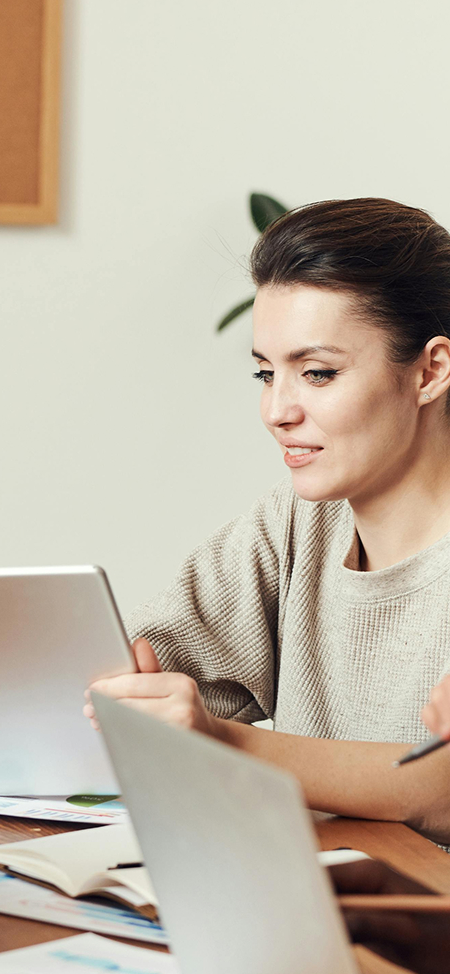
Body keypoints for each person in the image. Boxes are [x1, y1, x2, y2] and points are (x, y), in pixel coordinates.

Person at [87, 198, 450, 843]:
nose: (277, 410)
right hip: (304, 896)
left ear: (430, 370)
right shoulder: (294, 526)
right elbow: (140, 674)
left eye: (317, 373)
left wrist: (221, 740)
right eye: (264, 372)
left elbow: (437, 789)